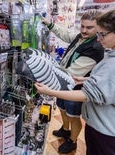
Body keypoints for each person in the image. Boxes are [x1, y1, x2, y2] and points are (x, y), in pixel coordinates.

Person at [35, 7, 115, 155]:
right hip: (107, 124)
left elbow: (88, 94)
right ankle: (66, 133)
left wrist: (49, 91)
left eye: (102, 34)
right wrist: (87, 78)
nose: (98, 39)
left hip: (107, 129)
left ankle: (72, 141)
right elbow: (114, 83)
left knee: (74, 118)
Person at [42, 9, 105, 153]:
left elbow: (73, 73)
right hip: (63, 85)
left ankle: (73, 141)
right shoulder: (81, 37)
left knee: (74, 116)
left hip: (76, 90)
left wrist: (46, 72)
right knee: (63, 109)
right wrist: (49, 24)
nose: (84, 30)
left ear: (98, 28)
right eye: (82, 26)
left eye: (89, 27)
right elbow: (65, 34)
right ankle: (65, 130)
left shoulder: (95, 47)